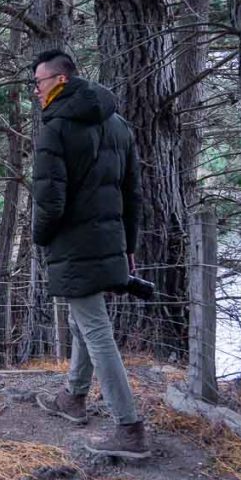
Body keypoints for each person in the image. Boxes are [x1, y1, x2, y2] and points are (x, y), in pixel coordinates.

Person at [29, 49, 150, 459]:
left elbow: (49, 201)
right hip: (109, 244)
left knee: (96, 331)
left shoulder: (56, 129)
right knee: (87, 323)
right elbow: (132, 194)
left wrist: (41, 238)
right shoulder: (119, 126)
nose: (36, 90)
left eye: (40, 82)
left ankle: (129, 428)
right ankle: (73, 398)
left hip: (74, 244)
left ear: (60, 81)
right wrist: (128, 247)